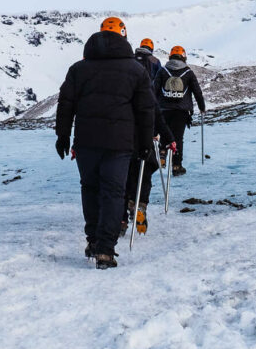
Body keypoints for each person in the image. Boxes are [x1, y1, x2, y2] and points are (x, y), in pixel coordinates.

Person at [55, 16, 157, 269]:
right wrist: (145, 143)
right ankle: (105, 251)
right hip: (119, 144)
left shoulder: (78, 69)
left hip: (86, 141)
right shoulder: (135, 70)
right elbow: (146, 110)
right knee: (113, 193)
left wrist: (63, 136)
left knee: (90, 190)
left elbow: (66, 104)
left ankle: (93, 239)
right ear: (124, 36)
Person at [125, 102, 177, 235]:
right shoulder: (145, 89)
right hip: (144, 142)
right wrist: (170, 139)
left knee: (125, 178)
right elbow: (158, 117)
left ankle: (122, 218)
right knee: (144, 174)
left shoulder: (119, 88)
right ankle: (140, 205)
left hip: (122, 141)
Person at [155, 46, 206, 176]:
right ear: (184, 57)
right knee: (177, 138)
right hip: (181, 111)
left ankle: (162, 155)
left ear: (170, 56)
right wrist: (202, 107)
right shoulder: (188, 72)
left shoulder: (163, 70)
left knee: (164, 134)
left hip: (163, 109)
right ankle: (177, 166)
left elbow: (154, 89)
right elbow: (197, 92)